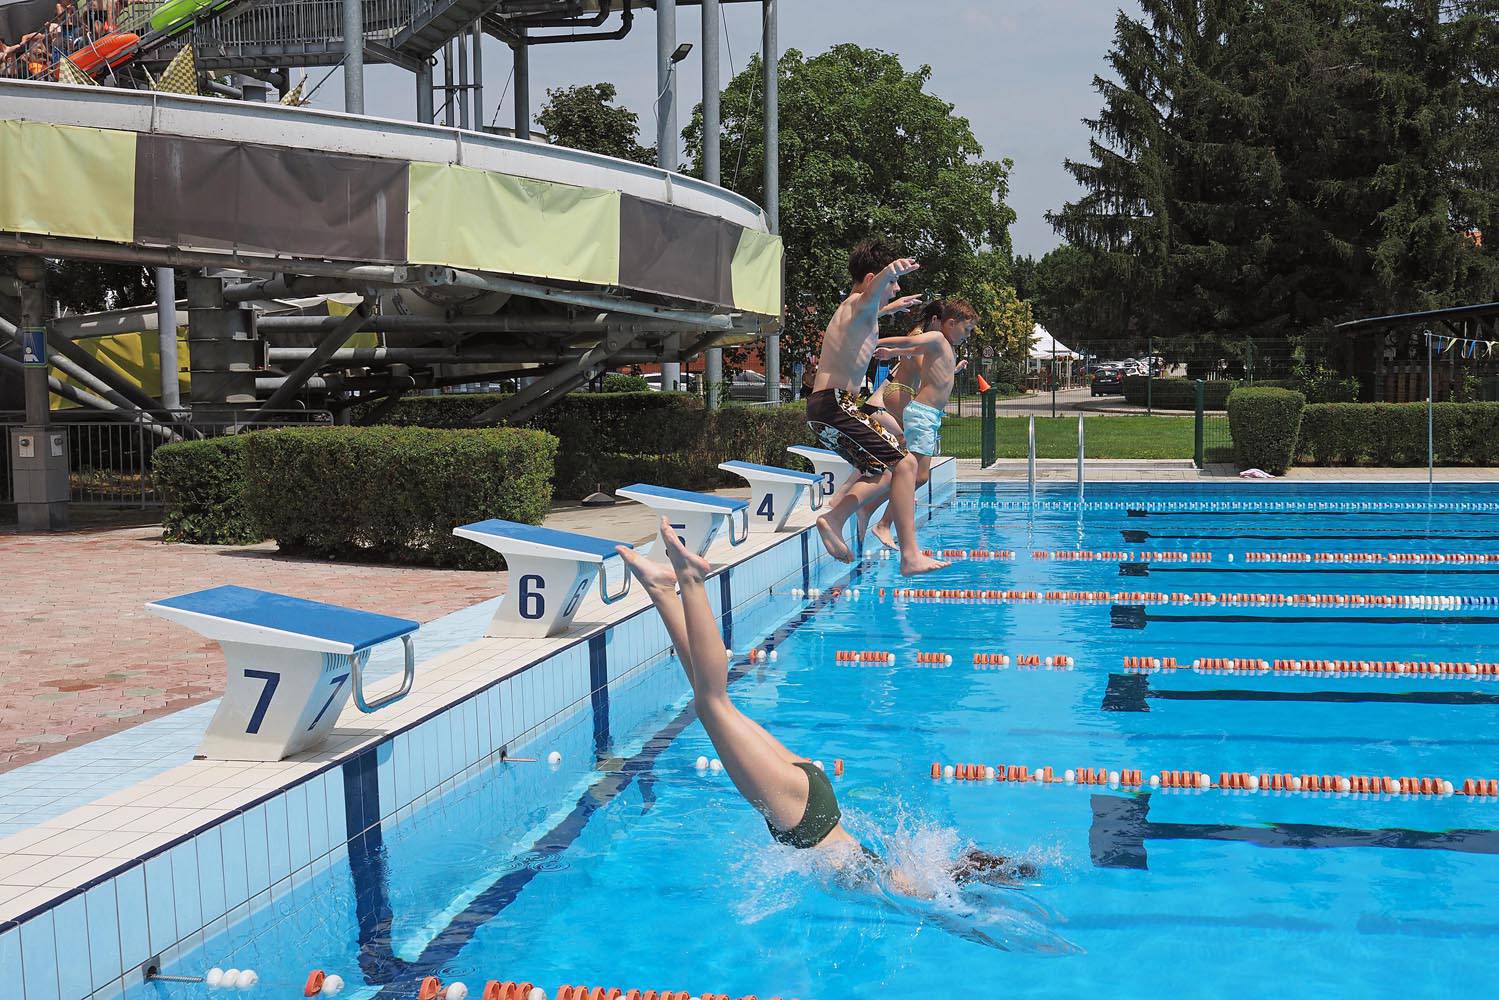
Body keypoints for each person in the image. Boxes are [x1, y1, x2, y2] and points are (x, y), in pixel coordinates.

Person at [615, 521, 1036, 896]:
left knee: (714, 706)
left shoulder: (912, 869)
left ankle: (661, 590)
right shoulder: (919, 890)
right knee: (712, 704)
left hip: (815, 801)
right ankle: (691, 582)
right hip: (802, 821)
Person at [804, 240, 946, 576]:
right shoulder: (861, 304)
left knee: (881, 472)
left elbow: (868, 311)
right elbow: (871, 296)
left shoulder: (856, 311)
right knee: (907, 463)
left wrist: (891, 307)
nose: (894, 288)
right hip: (835, 406)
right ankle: (910, 555)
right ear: (872, 280)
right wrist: (890, 271)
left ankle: (834, 519)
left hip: (830, 409)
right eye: (891, 284)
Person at [869, 299, 978, 550]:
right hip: (922, 415)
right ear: (951, 323)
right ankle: (883, 523)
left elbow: (918, 356)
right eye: (967, 329)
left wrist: (892, 353)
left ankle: (875, 510)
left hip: (929, 417)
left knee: (917, 476)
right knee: (917, 476)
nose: (967, 336)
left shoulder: (944, 345)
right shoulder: (938, 339)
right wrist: (879, 345)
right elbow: (909, 343)